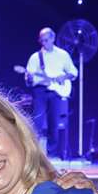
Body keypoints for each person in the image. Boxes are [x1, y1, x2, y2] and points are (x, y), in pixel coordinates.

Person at [25, 27, 78, 158]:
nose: (44, 43)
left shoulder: (62, 55)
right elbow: (28, 79)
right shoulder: (35, 57)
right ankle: (35, 154)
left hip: (56, 92)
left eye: (46, 40)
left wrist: (64, 77)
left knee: (54, 123)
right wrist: (29, 78)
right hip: (40, 92)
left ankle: (52, 154)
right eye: (41, 40)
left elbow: (74, 72)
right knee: (37, 122)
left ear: (53, 38)